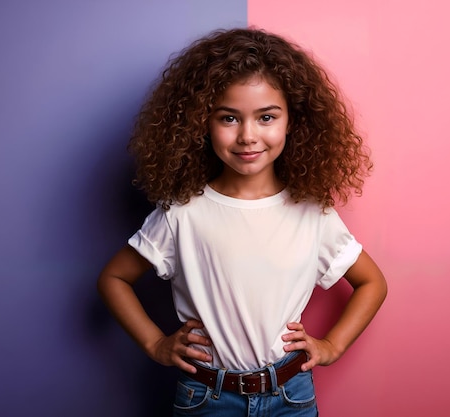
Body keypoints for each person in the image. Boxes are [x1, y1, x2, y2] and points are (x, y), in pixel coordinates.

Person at [98, 27, 387, 416]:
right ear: (202, 122)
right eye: (229, 118)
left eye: (266, 117)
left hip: (291, 396)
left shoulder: (312, 213)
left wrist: (331, 346)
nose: (248, 136)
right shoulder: (182, 212)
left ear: (292, 122)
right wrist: (155, 344)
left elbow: (372, 283)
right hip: (206, 397)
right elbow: (114, 279)